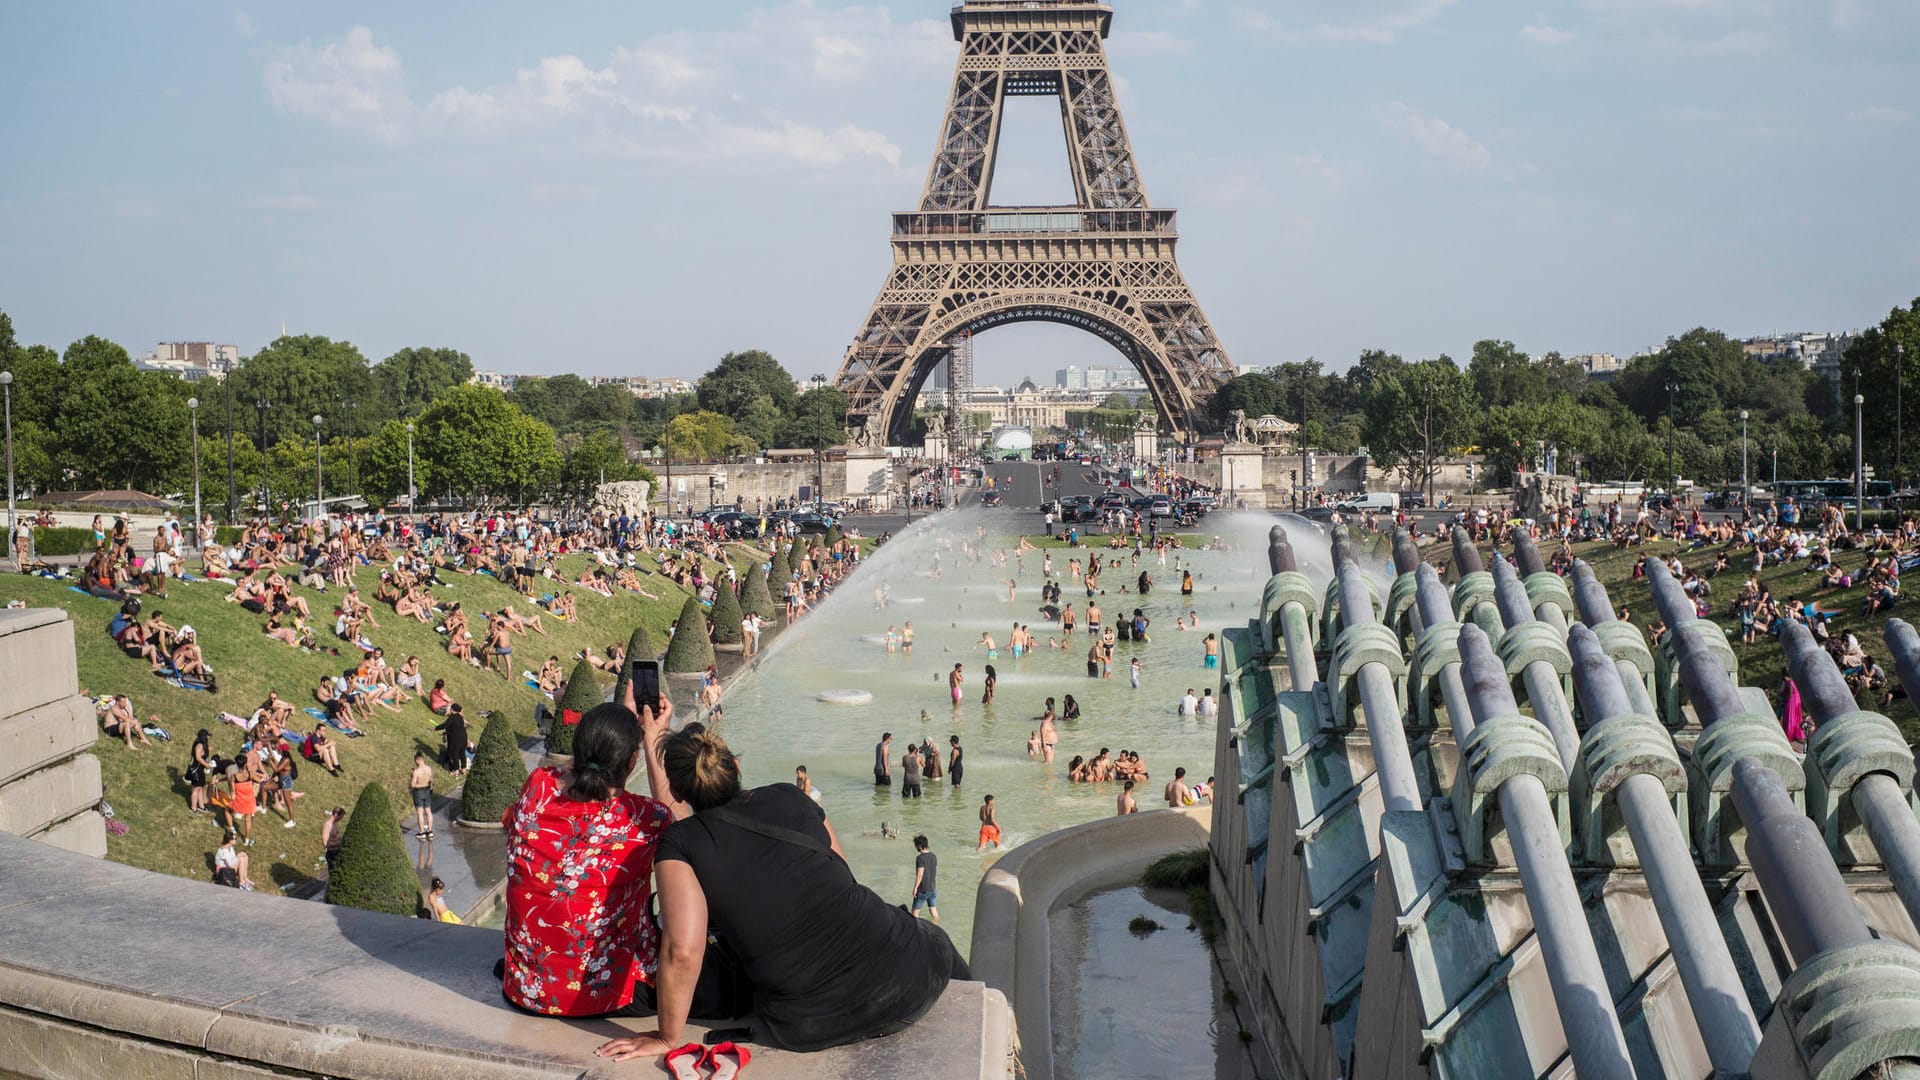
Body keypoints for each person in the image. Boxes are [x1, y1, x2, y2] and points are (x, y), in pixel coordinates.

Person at [594, 722, 969, 1062]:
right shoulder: (791, 796)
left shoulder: (680, 843)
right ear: (735, 768)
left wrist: (665, 1037)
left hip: (811, 1022)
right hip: (913, 977)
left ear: (676, 790)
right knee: (931, 935)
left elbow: (683, 949)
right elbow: (841, 874)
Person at [503, 695, 678, 1017]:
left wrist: (609, 731)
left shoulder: (536, 787)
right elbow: (687, 833)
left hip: (527, 991)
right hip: (608, 996)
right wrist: (653, 740)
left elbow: (566, 775)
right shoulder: (645, 819)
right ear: (631, 762)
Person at [435, 704, 469, 776]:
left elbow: (445, 725)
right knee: (462, 753)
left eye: (451, 709)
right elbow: (454, 728)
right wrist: (445, 733)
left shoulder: (452, 718)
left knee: (455, 754)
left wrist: (436, 728)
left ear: (453, 710)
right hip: (464, 738)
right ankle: (463, 768)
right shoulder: (460, 717)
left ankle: (456, 770)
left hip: (456, 740)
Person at [911, 835, 939, 920]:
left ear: (919, 846)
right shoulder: (934, 856)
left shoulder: (920, 858)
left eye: (916, 845)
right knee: (933, 911)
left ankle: (916, 930)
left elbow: (920, 874)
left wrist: (915, 888)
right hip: (932, 888)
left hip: (922, 889)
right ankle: (937, 925)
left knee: (914, 913)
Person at [409, 752, 434, 838]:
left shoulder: (416, 771)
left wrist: (411, 777)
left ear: (417, 760)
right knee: (428, 811)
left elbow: (412, 785)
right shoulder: (429, 769)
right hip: (427, 790)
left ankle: (422, 832)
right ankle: (430, 831)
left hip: (418, 791)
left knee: (420, 812)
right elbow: (431, 780)